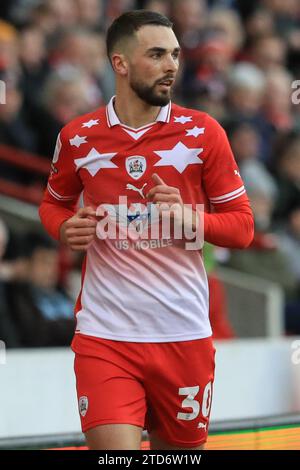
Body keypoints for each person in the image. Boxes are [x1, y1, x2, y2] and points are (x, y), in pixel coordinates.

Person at [39, 10, 254, 451]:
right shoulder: (78, 137)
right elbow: (53, 203)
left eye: (174, 54)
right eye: (156, 54)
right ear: (119, 63)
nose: (171, 65)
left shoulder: (204, 133)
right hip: (105, 334)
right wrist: (63, 228)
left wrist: (190, 218)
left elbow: (243, 228)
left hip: (184, 334)